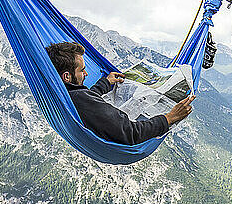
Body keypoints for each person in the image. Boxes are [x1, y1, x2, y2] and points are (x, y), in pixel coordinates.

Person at [45, 42, 194, 145]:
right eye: (82, 70)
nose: (86, 74)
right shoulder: (81, 99)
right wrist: (169, 118)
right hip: (122, 139)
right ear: (67, 76)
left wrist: (105, 83)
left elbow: (86, 99)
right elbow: (132, 133)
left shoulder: (63, 94)